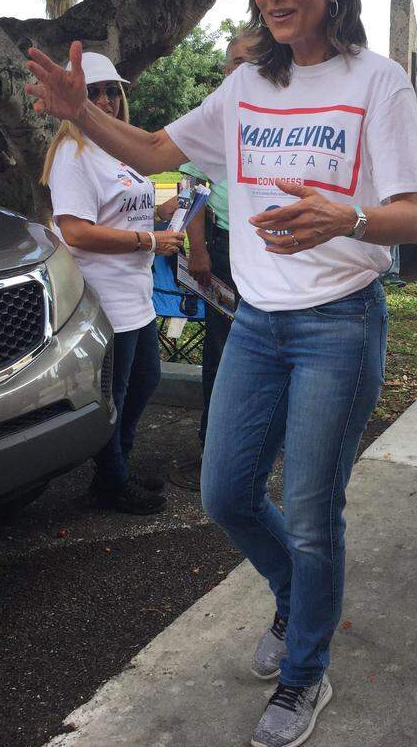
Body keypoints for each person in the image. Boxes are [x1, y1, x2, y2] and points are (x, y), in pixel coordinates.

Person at [26, 0, 417, 745]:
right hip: (256, 323)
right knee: (225, 492)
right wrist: (80, 111)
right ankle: (298, 598)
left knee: (315, 510)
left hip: (338, 325)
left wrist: (347, 219)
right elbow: (149, 151)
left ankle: (303, 672)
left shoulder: (377, 83)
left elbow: (412, 219)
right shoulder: (249, 87)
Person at [40, 52, 185, 515]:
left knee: (145, 380)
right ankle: (112, 479)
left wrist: (161, 214)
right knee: (115, 391)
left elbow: (121, 209)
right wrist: (148, 237)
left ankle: (117, 460)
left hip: (135, 291)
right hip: (103, 295)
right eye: (94, 91)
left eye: (112, 91)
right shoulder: (73, 153)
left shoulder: (117, 150)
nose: (105, 100)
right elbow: (77, 230)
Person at [168, 31, 254, 492]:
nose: (242, 70)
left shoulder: (271, 112)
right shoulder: (211, 116)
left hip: (267, 254)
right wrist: (197, 251)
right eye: (236, 61)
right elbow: (189, 189)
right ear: (225, 70)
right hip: (221, 251)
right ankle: (212, 450)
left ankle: (253, 444)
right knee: (223, 352)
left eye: (253, 61)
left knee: (264, 350)